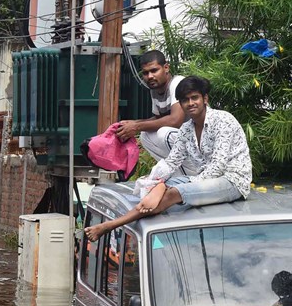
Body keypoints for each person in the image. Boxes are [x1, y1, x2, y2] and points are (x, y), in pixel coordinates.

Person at [85, 76, 251, 240]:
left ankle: (110, 225)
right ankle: (138, 209)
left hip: (232, 181)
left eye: (195, 98)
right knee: (151, 189)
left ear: (205, 98)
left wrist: (163, 189)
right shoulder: (187, 129)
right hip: (204, 179)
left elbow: (218, 167)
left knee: (173, 193)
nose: (191, 103)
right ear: (181, 104)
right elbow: (172, 162)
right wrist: (157, 184)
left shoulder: (223, 120)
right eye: (185, 100)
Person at [112, 50, 196, 176]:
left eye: (154, 70)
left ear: (166, 68)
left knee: (163, 133)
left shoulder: (178, 83)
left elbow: (175, 120)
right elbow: (159, 118)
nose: (150, 76)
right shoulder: (155, 90)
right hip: (185, 140)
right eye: (145, 73)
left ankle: (191, 174)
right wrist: (132, 123)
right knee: (146, 135)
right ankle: (177, 175)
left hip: (201, 140)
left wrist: (136, 126)